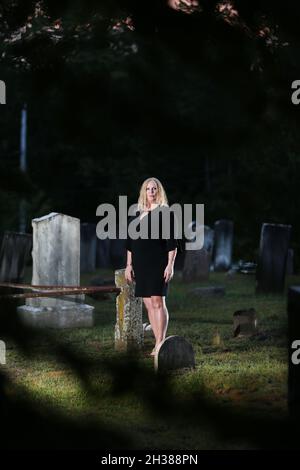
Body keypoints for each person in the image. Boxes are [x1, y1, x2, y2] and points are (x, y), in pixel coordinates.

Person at [125, 177, 178, 356]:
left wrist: (170, 265)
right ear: (144, 192)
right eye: (148, 189)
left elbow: (172, 243)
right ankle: (157, 343)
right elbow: (130, 244)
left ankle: (160, 343)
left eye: (154, 189)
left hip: (158, 263)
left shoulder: (166, 213)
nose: (151, 192)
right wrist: (128, 265)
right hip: (140, 265)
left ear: (159, 191)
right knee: (148, 304)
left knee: (158, 301)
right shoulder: (137, 213)